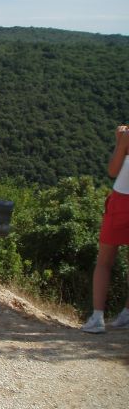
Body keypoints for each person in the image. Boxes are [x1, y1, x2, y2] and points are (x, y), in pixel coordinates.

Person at [81, 124, 129, 333]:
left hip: (122, 201)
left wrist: (120, 142)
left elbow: (113, 170)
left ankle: (97, 318)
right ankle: (127, 314)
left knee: (104, 261)